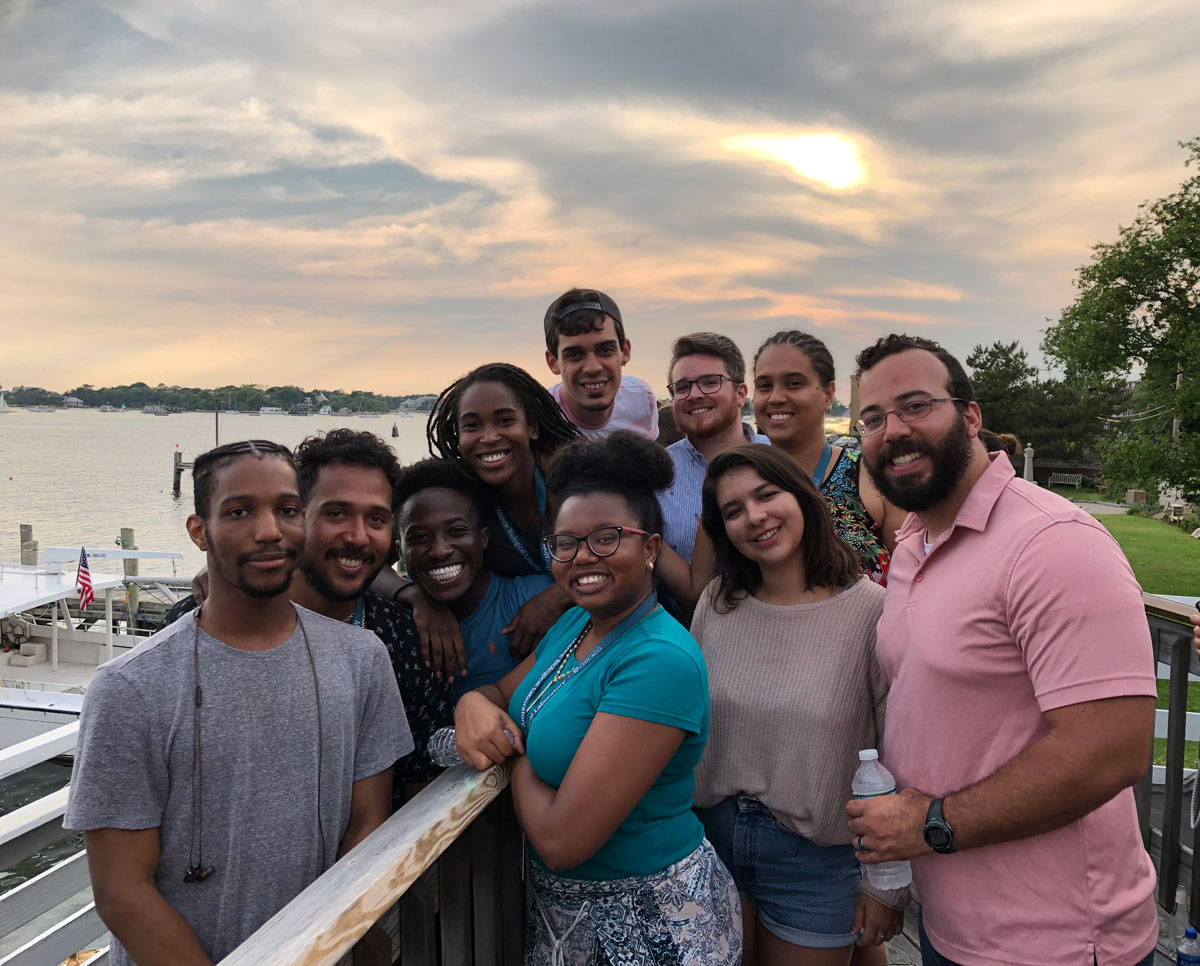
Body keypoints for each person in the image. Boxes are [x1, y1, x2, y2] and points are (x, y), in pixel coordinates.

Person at [844, 335, 1158, 966]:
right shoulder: (913, 545)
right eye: (873, 419)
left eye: (915, 405)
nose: (893, 430)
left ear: (970, 415)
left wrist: (932, 825)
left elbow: (1110, 752)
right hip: (954, 924)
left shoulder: (1053, 543)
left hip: (1059, 940)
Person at [65, 440, 412, 965]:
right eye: (240, 511)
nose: (269, 530)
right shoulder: (130, 687)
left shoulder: (362, 657)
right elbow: (121, 891)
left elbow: (366, 824)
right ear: (198, 530)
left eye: (287, 510)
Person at [453, 431, 741, 964]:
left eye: (606, 537)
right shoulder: (575, 625)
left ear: (650, 547)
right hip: (567, 919)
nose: (582, 557)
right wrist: (472, 703)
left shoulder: (658, 660)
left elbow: (563, 842)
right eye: (565, 542)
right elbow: (499, 690)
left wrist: (515, 749)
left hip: (653, 924)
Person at [691, 445, 905, 965]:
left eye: (767, 495)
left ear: (804, 498)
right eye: (733, 510)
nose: (755, 517)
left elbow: (898, 758)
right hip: (710, 843)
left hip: (815, 856)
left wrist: (886, 883)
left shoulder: (873, 613)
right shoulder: (718, 601)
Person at [159, 428, 455, 795]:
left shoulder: (407, 643)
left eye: (376, 519)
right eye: (336, 513)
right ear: (296, 517)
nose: (358, 536)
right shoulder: (195, 624)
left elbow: (418, 790)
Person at [398, 362, 579, 682]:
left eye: (505, 420)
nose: (489, 437)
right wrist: (418, 598)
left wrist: (559, 596)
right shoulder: (467, 497)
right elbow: (370, 563)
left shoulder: (573, 480)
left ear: (532, 427)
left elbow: (636, 551)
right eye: (472, 426)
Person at [752, 330, 904, 584]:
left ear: (828, 394)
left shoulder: (873, 476)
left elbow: (918, 580)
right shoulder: (737, 483)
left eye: (794, 384)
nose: (776, 397)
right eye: (765, 386)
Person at [396, 457, 553, 697]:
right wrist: (415, 597)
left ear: (484, 538)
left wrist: (562, 595)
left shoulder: (534, 602)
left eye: (457, 531)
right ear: (400, 552)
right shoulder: (395, 623)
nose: (440, 551)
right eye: (419, 537)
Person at [658, 332, 769, 565]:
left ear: (740, 395)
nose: (694, 395)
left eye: (710, 382)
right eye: (682, 387)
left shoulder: (779, 457)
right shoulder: (657, 475)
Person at [543, 287, 659, 440]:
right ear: (553, 362)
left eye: (605, 350)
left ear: (624, 352)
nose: (593, 368)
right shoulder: (541, 419)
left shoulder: (641, 400)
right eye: (574, 355)